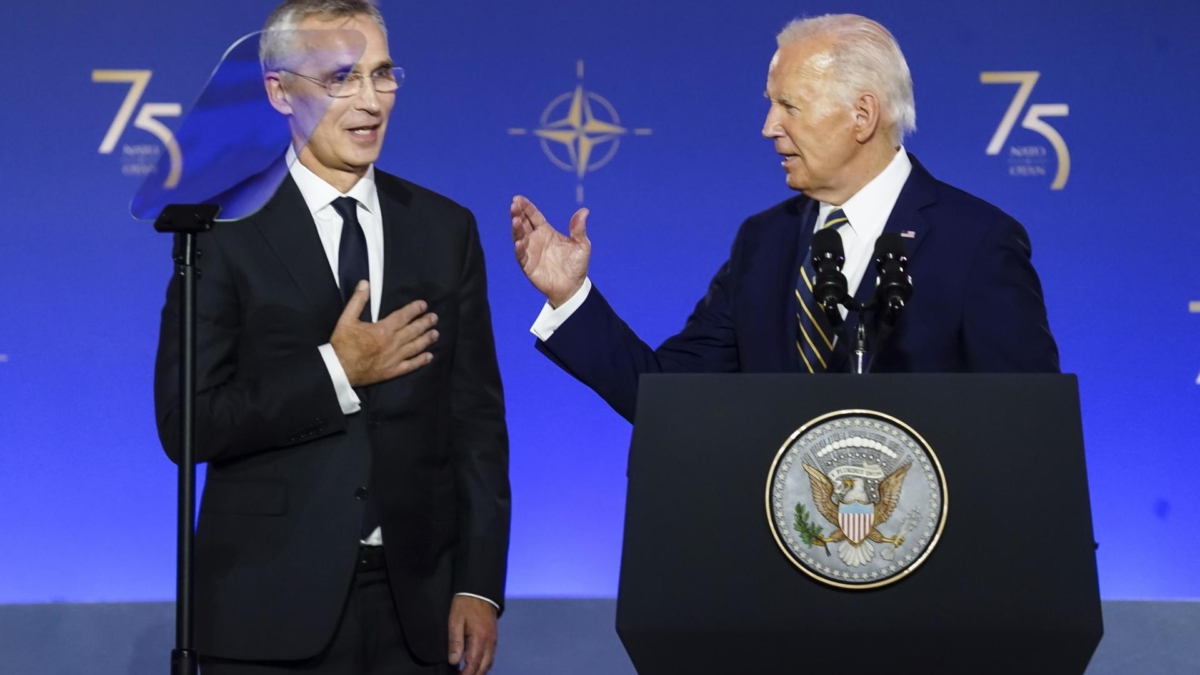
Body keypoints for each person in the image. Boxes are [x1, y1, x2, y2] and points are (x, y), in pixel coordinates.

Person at [154, 2, 509, 673]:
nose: (371, 101)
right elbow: (187, 424)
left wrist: (478, 583)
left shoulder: (443, 228)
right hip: (267, 609)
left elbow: (477, 423)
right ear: (280, 90)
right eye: (342, 77)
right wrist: (337, 371)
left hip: (420, 611)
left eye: (383, 74)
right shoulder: (220, 231)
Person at [510, 13, 1059, 422]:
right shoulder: (763, 241)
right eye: (771, 105)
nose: (769, 127)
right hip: (773, 560)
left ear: (862, 115)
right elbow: (667, 395)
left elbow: (1028, 428)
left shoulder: (977, 242)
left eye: (789, 106)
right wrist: (571, 297)